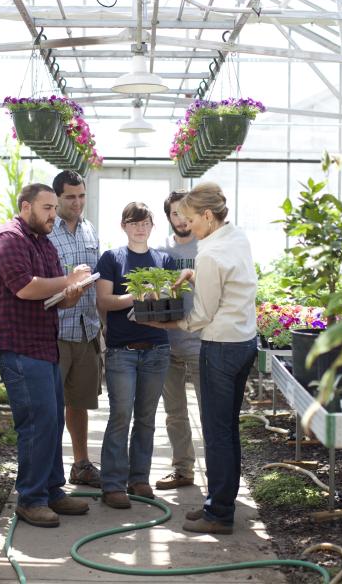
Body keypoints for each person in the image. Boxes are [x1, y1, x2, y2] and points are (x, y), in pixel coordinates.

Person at [149, 182, 257, 535]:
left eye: (192, 219)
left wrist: (163, 321)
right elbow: (231, 280)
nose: (188, 225)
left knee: (217, 432)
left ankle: (219, 514)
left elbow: (201, 316)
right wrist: (193, 274)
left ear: (208, 216)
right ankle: (219, 503)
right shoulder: (235, 236)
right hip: (243, 343)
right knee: (228, 429)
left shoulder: (209, 253)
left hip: (220, 348)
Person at [0, 183, 92, 528]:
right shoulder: (8, 239)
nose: (52, 215)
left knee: (52, 421)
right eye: (47, 208)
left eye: (54, 209)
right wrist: (66, 280)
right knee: (35, 423)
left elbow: (55, 296)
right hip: (18, 346)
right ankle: (30, 499)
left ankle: (52, 491)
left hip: (44, 344)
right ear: (26, 206)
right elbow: (25, 287)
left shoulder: (44, 244)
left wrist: (71, 294)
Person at [95, 202, 176, 509]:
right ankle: (113, 484)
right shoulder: (112, 258)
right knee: (120, 415)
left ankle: (139, 478)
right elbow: (104, 300)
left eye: (145, 223)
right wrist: (135, 296)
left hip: (156, 348)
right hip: (122, 352)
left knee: (146, 417)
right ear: (124, 226)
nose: (140, 228)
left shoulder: (163, 259)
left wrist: (160, 296)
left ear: (153, 227)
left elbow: (170, 301)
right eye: (134, 223)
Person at [48, 170, 102, 488]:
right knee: (51, 405)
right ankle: (50, 471)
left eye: (81, 195)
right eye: (70, 196)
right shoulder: (45, 232)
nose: (77, 202)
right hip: (55, 330)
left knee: (79, 401)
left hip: (86, 329)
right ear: (57, 198)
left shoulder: (89, 230)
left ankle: (80, 464)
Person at [155, 191, 202, 490]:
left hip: (202, 341)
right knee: (174, 412)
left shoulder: (208, 247)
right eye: (175, 214)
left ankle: (222, 477)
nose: (181, 220)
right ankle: (183, 469)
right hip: (167, 342)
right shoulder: (160, 251)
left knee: (211, 412)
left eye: (186, 214)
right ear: (168, 216)